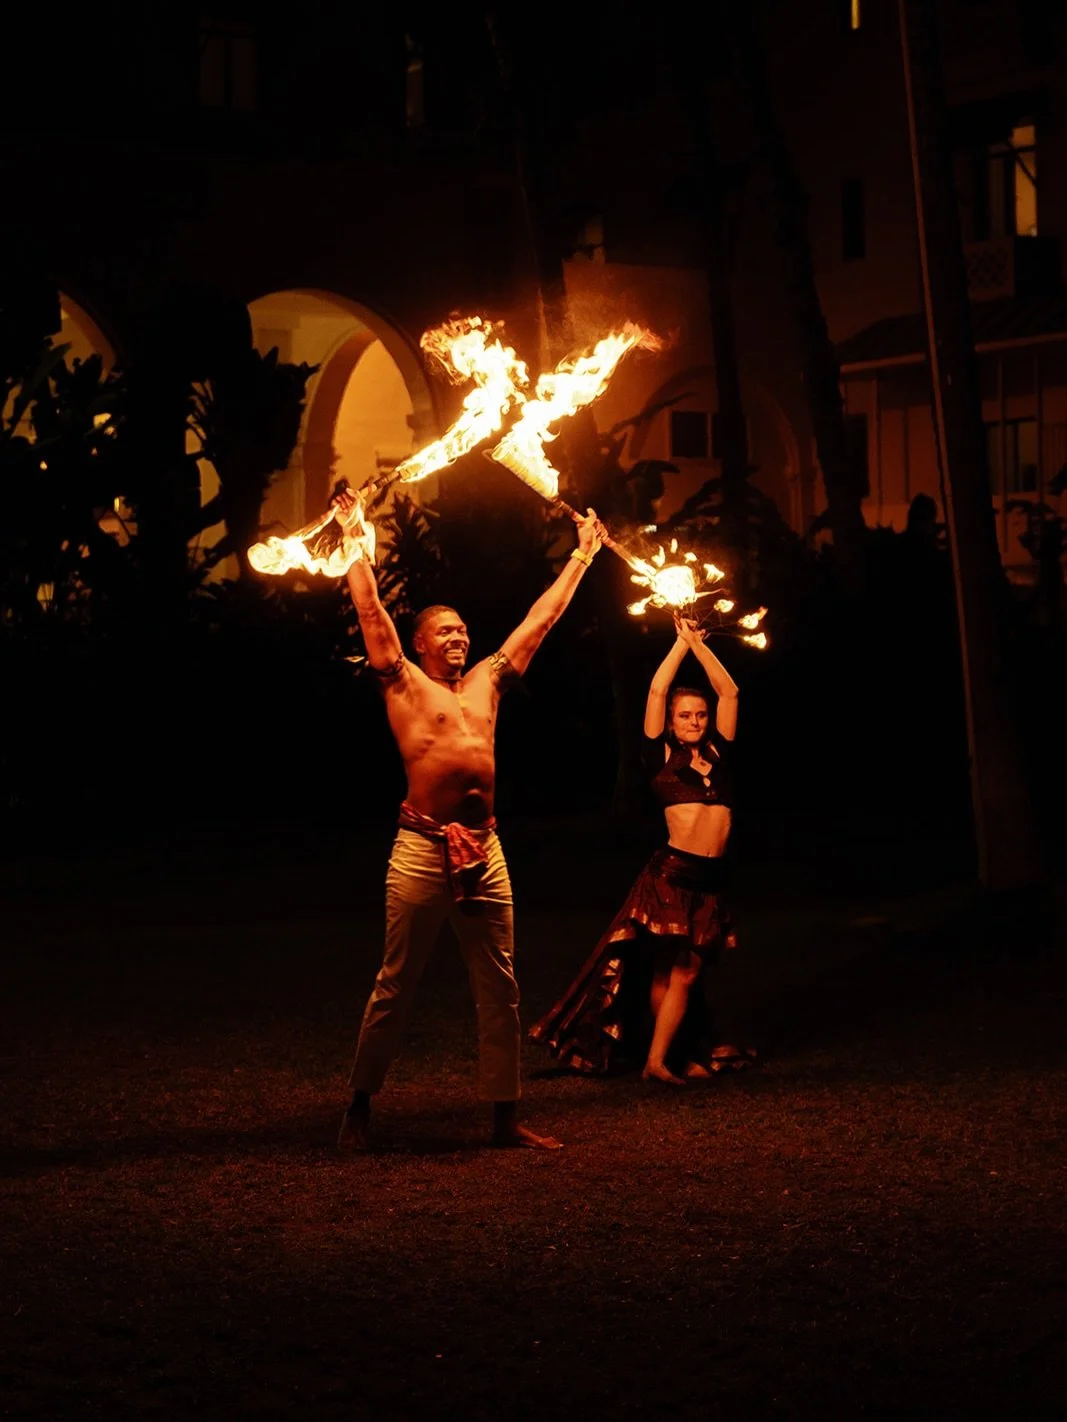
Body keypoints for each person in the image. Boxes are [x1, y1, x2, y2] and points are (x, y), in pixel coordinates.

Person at [332, 489, 604, 1151]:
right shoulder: (399, 680)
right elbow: (370, 610)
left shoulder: (487, 679)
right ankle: (359, 1109)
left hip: (485, 849)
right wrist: (352, 536)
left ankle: (505, 1119)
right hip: (422, 849)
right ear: (419, 643)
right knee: (395, 984)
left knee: (501, 985)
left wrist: (582, 557)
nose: (457, 637)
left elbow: (540, 622)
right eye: (443, 631)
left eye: (461, 630)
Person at [529, 614, 754, 1083]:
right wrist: (678, 645)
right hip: (672, 875)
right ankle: (657, 1062)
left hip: (711, 882)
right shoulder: (660, 755)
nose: (694, 721)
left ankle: (671, 1054)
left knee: (684, 975)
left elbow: (730, 691)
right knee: (672, 971)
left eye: (700, 715)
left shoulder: (720, 754)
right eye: (685, 716)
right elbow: (655, 693)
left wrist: (699, 644)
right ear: (671, 723)